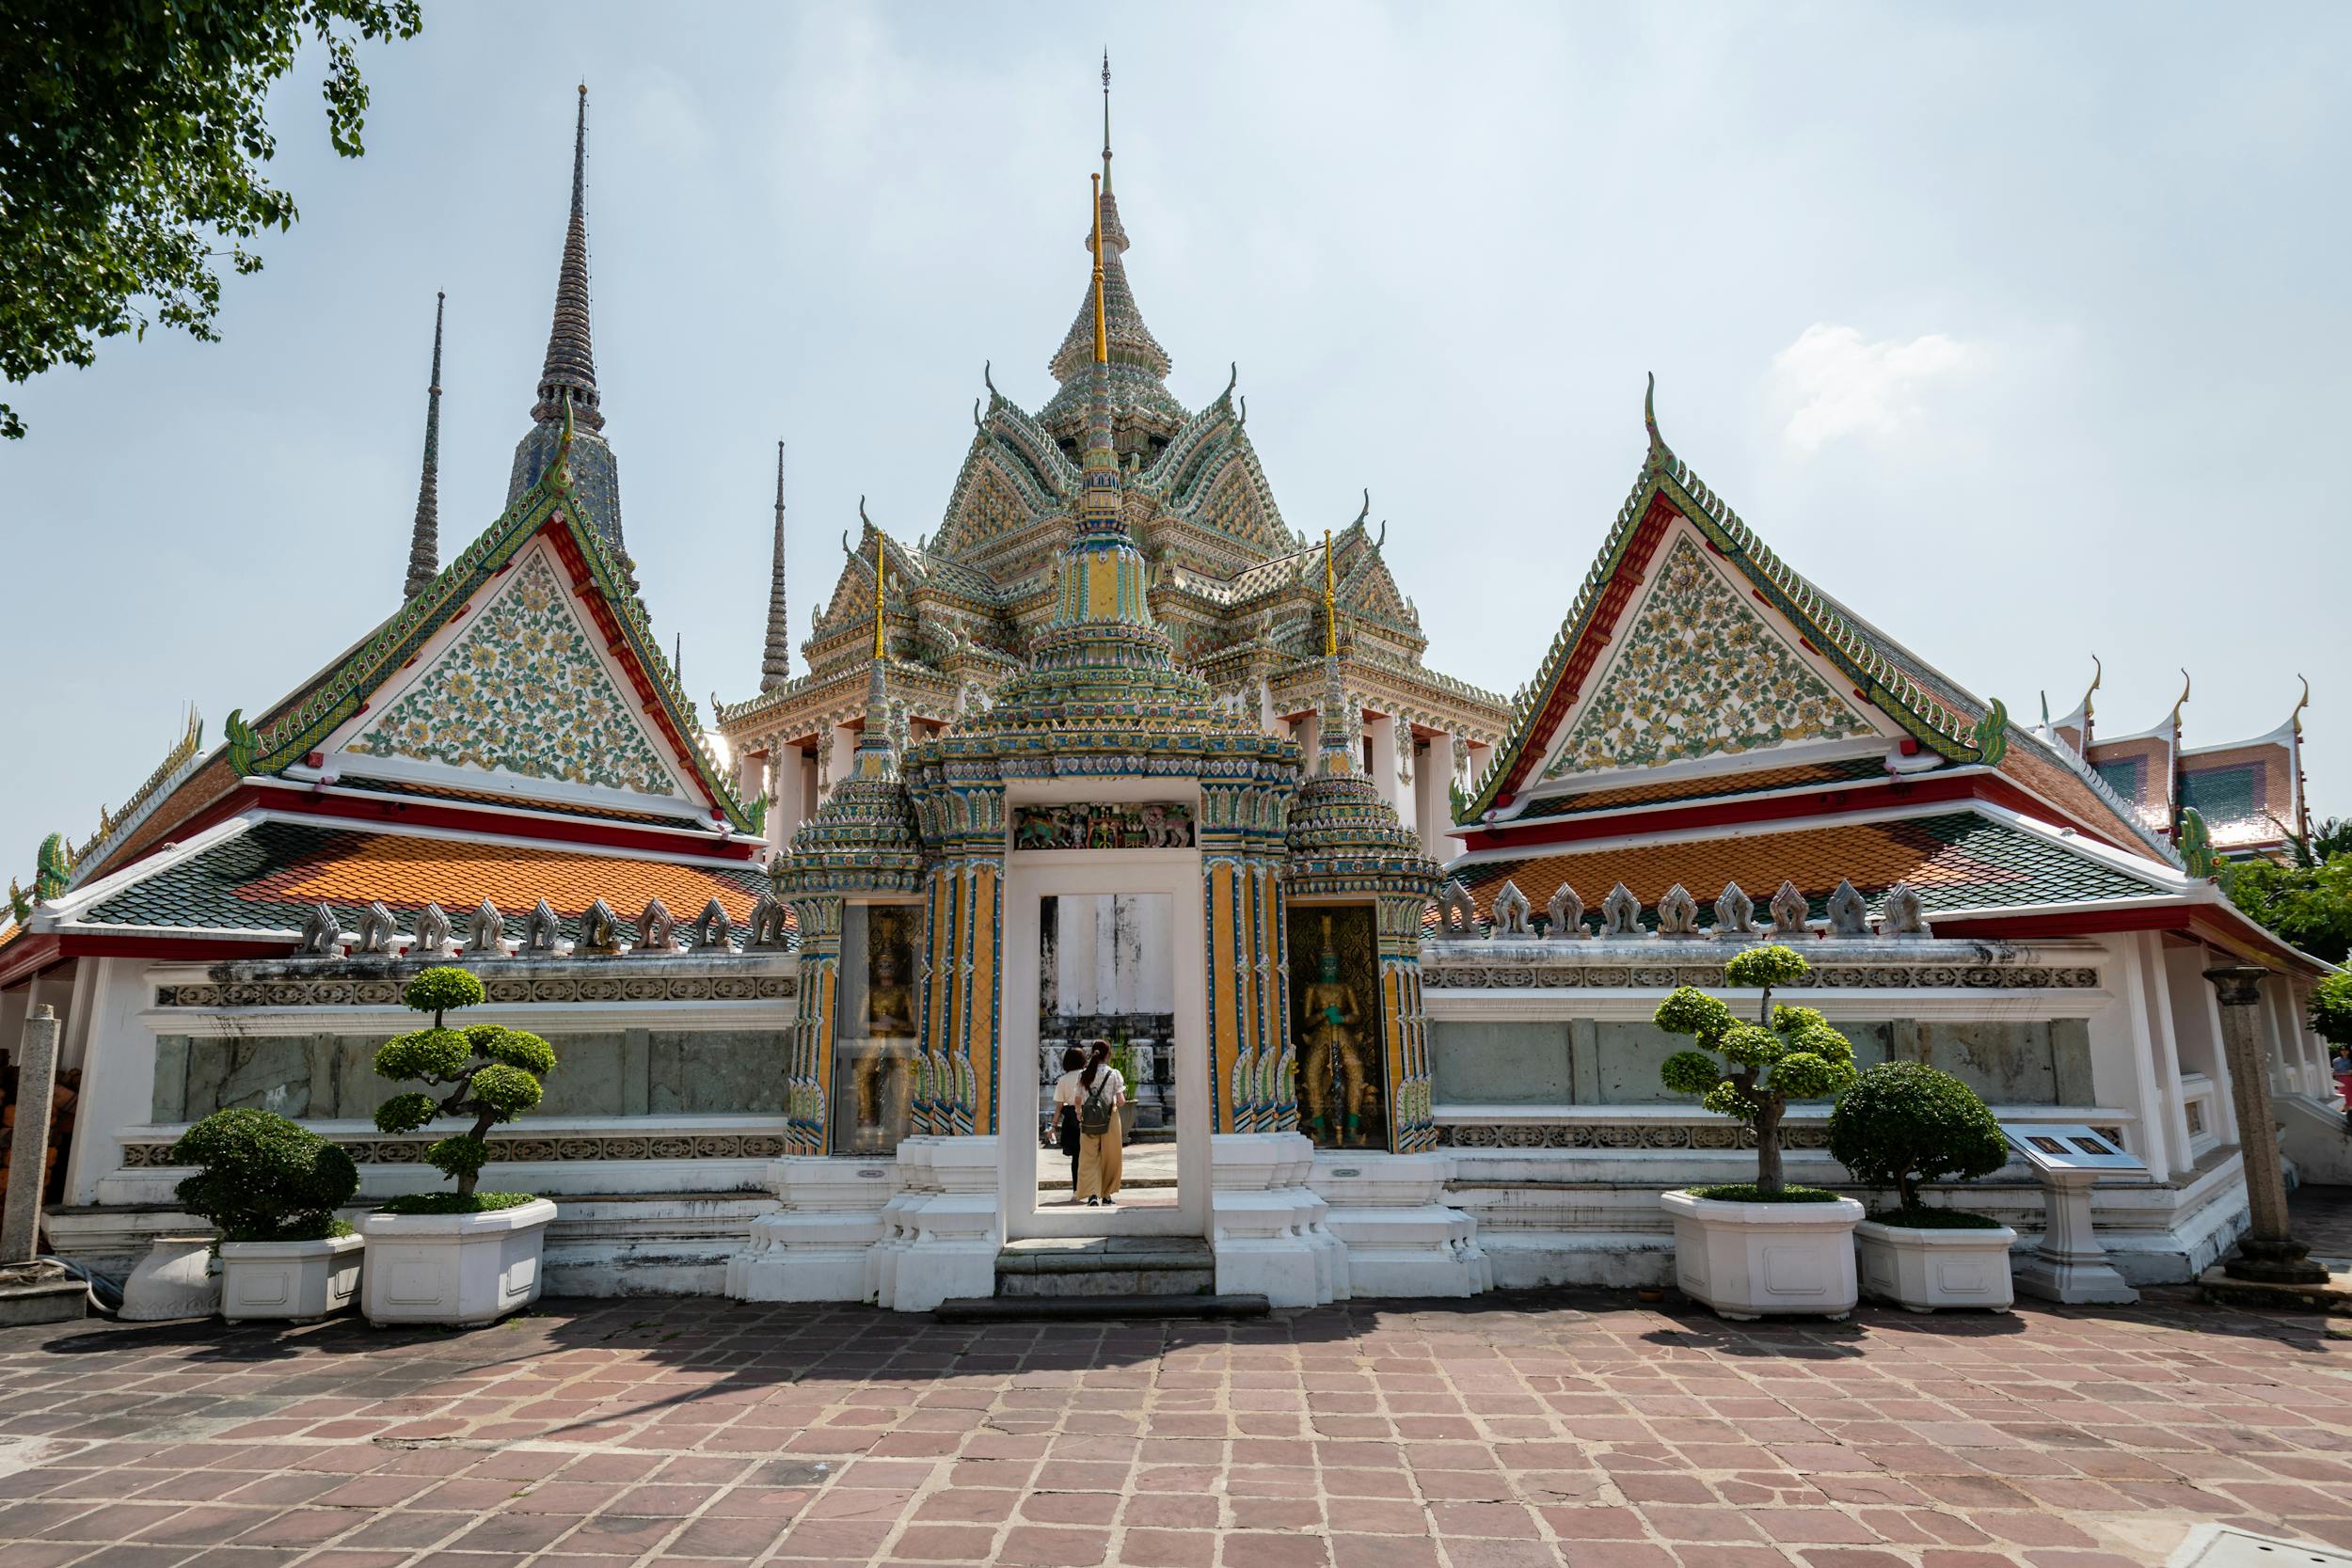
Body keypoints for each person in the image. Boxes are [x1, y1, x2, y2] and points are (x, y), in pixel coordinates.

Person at [1070, 1039, 1125, 1207]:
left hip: (1088, 1119)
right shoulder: (1114, 1074)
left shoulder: (1083, 1074)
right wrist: (1112, 1100)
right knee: (1110, 1157)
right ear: (1108, 1055)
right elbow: (1121, 1101)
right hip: (1109, 1118)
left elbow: (1078, 1099)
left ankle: (1092, 1195)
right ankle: (1107, 1195)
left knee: (1089, 1158)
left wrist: (1078, 1113)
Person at [1050, 1045, 1086, 1198]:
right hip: (1087, 1116)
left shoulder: (1063, 1079)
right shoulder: (1087, 1075)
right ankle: (1091, 1190)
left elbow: (1059, 1106)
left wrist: (1053, 1126)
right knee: (1091, 1156)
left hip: (1070, 1118)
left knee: (1076, 1158)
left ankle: (1076, 1190)